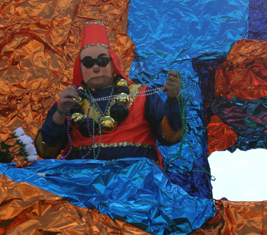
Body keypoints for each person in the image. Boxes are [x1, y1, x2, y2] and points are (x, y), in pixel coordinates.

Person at [35, 22, 183, 165]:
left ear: (113, 65)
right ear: (80, 69)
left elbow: (170, 137)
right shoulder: (69, 102)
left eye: (102, 61)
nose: (96, 68)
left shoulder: (142, 95)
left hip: (136, 185)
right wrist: (60, 113)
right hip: (83, 184)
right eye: (88, 62)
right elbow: (46, 152)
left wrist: (174, 100)